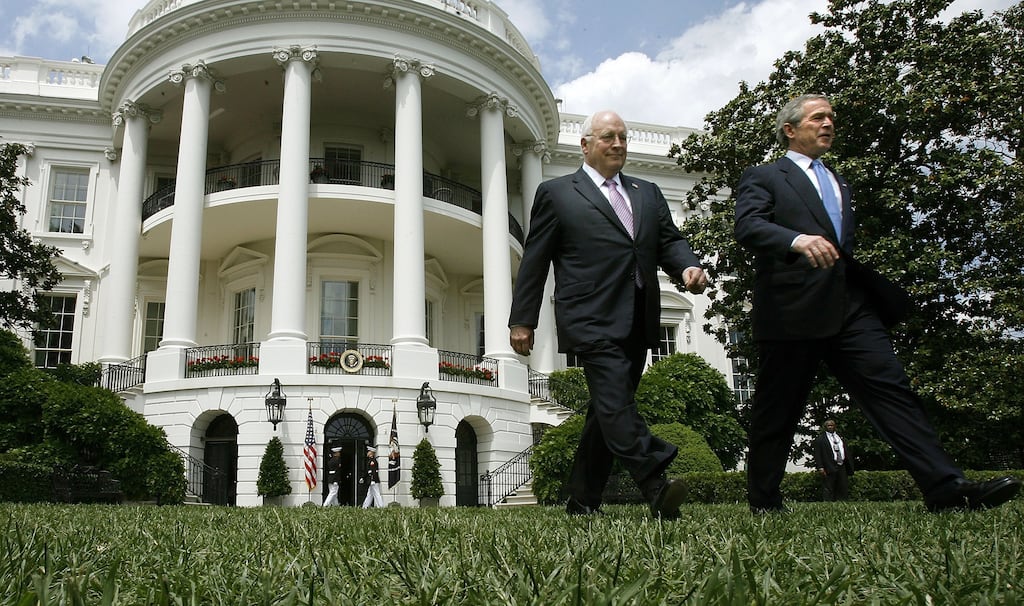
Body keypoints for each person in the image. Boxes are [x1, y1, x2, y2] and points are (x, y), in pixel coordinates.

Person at [734, 93, 1021, 513]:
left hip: (851, 305)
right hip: (793, 308)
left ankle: (945, 487)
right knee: (778, 409)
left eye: (831, 117)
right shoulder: (765, 175)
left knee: (892, 392)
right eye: (818, 117)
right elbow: (749, 225)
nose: (828, 123)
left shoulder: (839, 180)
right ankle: (764, 498)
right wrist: (795, 239)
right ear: (791, 130)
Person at [508, 110, 709, 519]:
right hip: (590, 316)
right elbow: (535, 260)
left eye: (622, 137)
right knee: (616, 402)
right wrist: (522, 319)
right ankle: (655, 483)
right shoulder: (558, 192)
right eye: (607, 137)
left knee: (606, 412)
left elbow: (669, 242)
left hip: (638, 313)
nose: (617, 144)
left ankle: (582, 501)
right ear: (585, 145)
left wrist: (686, 266)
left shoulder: (648, 192)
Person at [813, 419, 853, 501]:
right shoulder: (820, 439)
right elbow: (818, 454)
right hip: (829, 465)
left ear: (835, 426)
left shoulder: (840, 437)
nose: (830, 427)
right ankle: (828, 504)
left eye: (832, 425)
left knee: (843, 486)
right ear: (825, 427)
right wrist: (820, 467)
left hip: (841, 465)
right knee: (829, 487)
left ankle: (842, 503)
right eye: (828, 425)